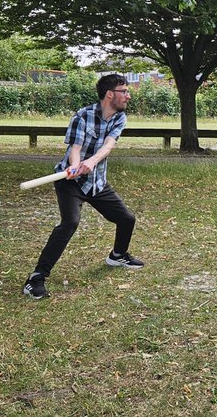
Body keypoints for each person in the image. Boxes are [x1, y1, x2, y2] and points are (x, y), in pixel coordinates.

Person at [23, 74, 141, 299]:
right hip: (70, 182)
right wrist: (76, 166)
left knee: (127, 218)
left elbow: (108, 147)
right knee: (70, 223)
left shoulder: (120, 118)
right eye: (124, 91)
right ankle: (36, 278)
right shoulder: (82, 116)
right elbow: (75, 148)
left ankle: (117, 255)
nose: (128, 95)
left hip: (96, 182)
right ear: (110, 94)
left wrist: (91, 163)